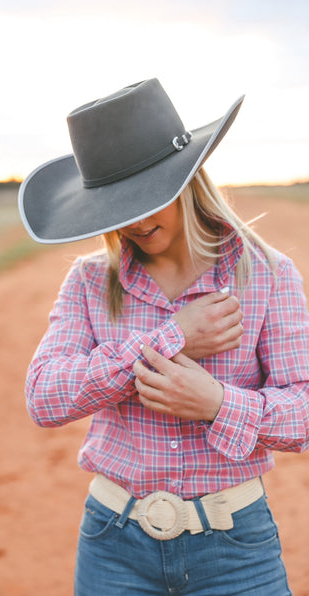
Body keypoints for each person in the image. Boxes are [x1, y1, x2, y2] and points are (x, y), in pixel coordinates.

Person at [18, 78, 309, 595]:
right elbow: (45, 396)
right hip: (113, 543)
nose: (133, 220)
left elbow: (304, 412)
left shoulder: (268, 274)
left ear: (188, 179)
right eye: (117, 206)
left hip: (236, 548)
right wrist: (171, 338)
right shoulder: (87, 281)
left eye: (147, 197)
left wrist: (218, 403)